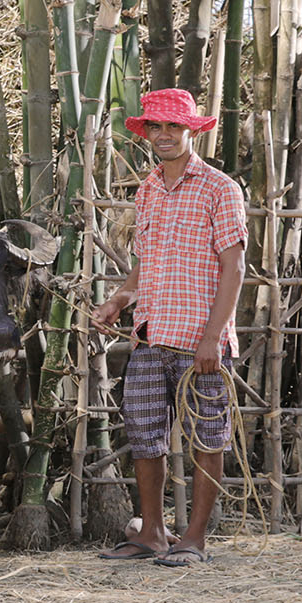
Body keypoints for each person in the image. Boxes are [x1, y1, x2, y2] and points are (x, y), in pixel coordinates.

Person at [95, 88, 246, 568]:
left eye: (173, 127)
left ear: (191, 130)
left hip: (200, 340)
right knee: (144, 434)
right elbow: (146, 263)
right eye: (155, 127)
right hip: (151, 333)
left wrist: (211, 337)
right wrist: (122, 296)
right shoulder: (148, 189)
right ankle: (154, 534)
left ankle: (195, 539)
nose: (163, 136)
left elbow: (234, 267)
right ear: (147, 133)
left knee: (207, 437)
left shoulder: (221, 188)